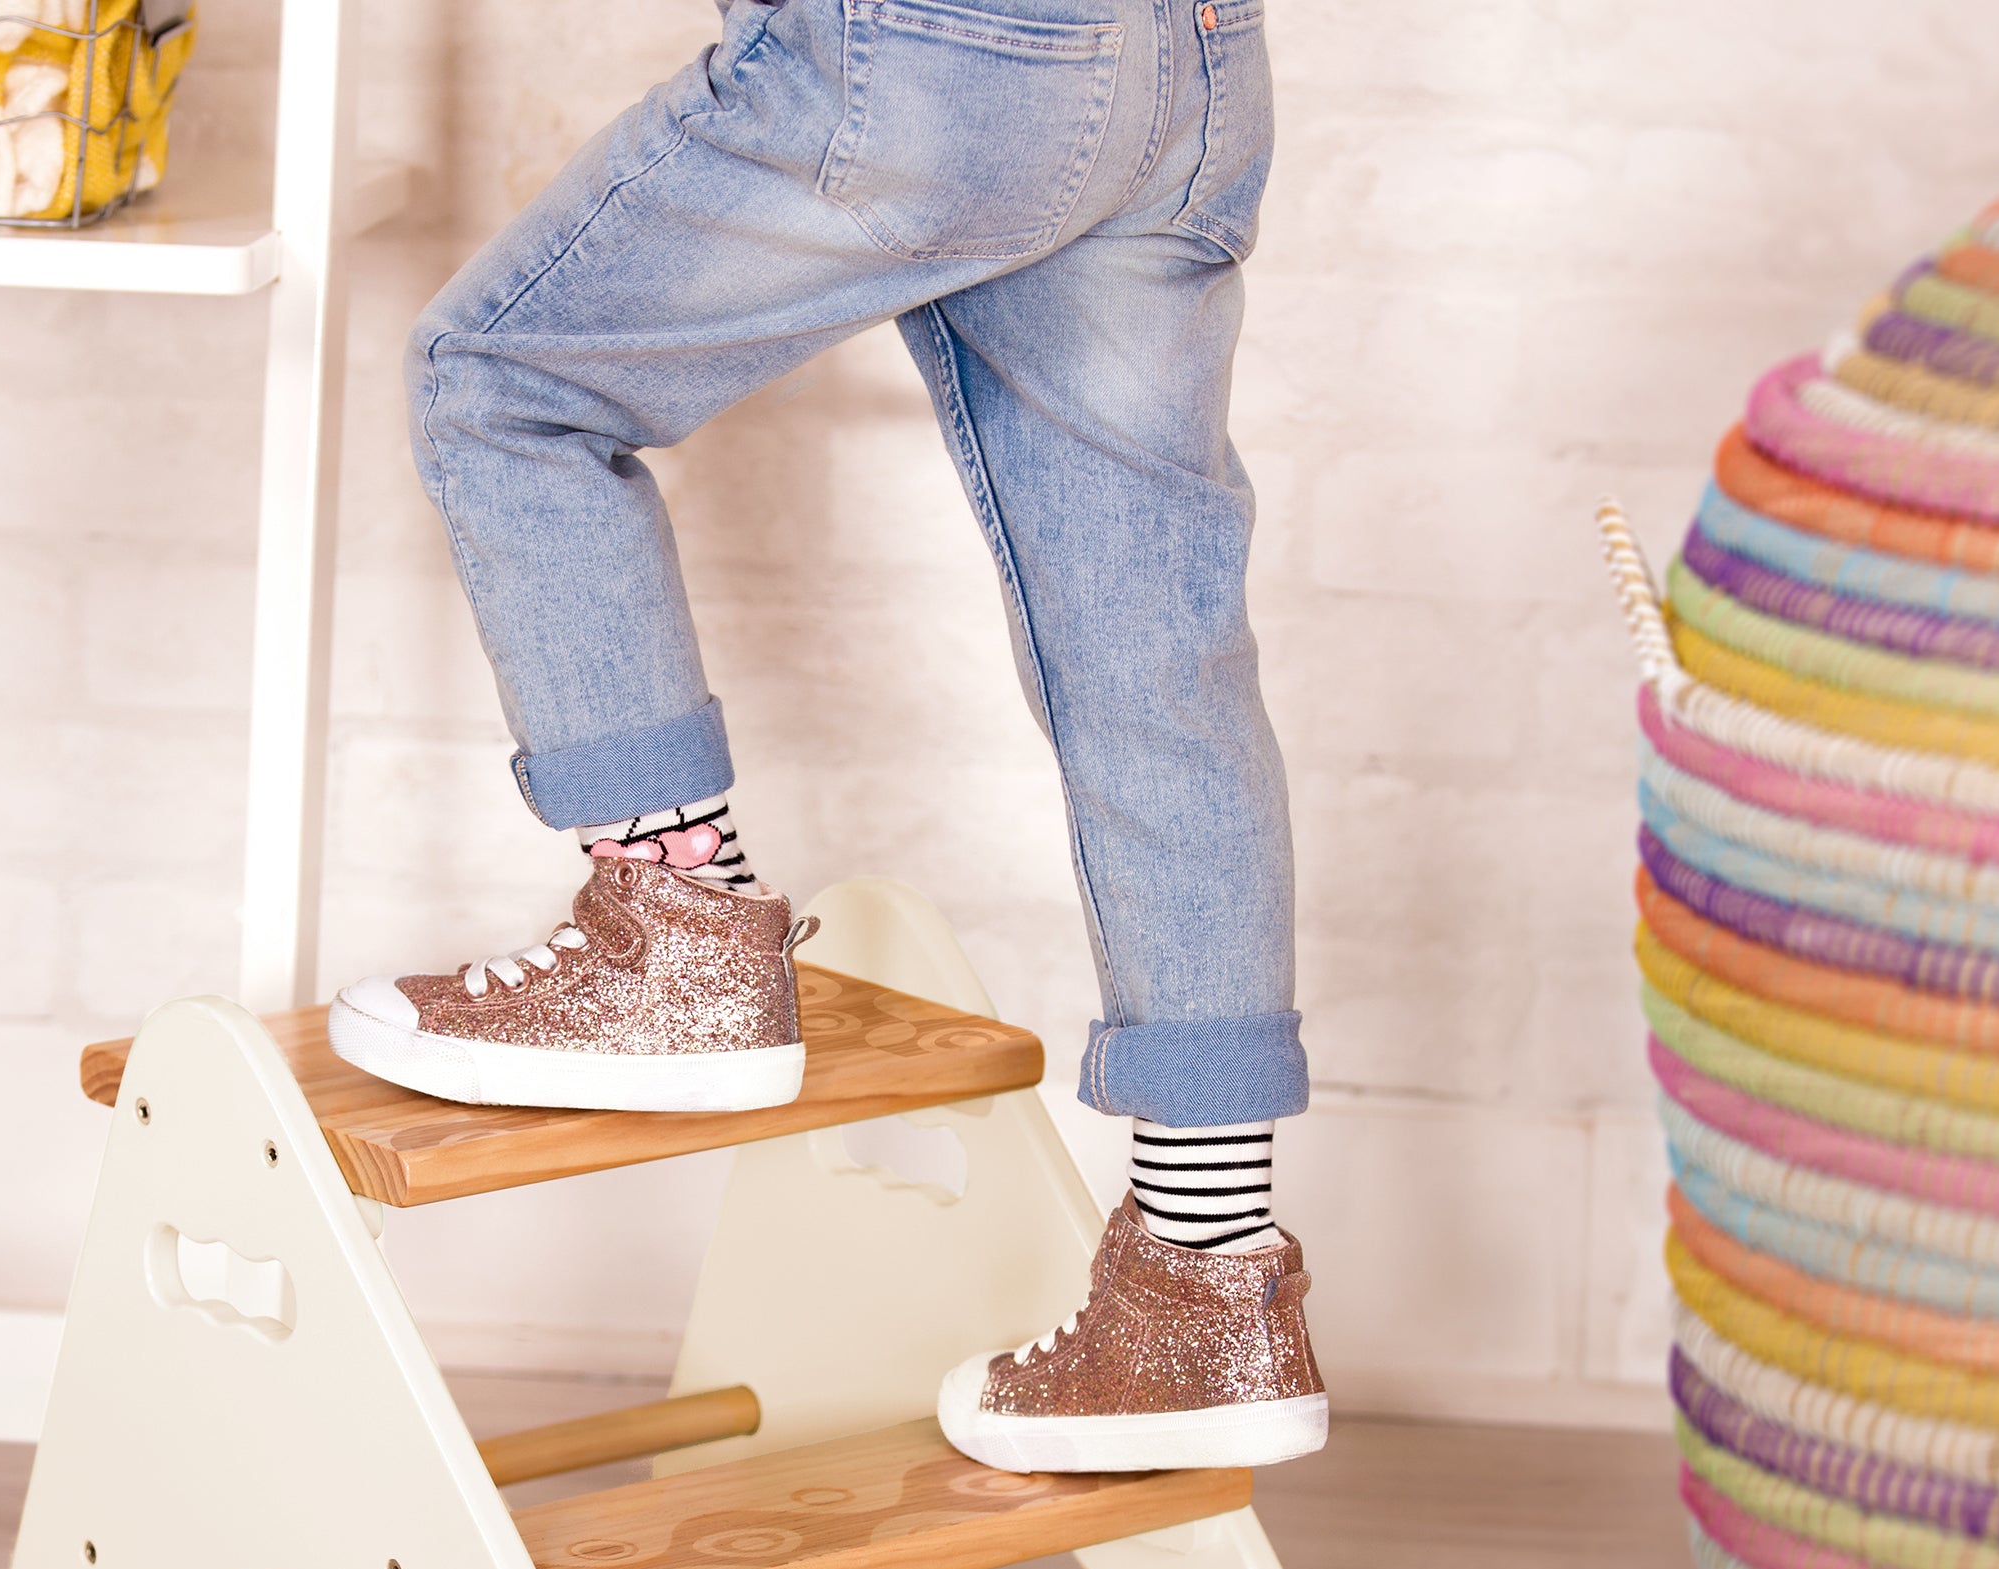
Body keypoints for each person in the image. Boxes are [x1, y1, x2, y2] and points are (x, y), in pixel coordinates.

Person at [326, 0, 1324, 1474]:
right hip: (1189, 60)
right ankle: (1204, 1284)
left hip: (945, 52)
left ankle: (677, 931)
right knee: (1154, 646)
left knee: (502, 385)